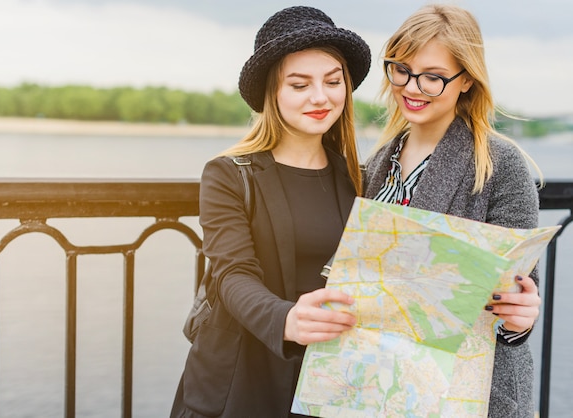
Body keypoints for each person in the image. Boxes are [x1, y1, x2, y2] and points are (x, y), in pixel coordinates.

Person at [170, 6, 371, 417]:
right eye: (299, 85)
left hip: (329, 383)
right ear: (272, 94)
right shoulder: (228, 174)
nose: (321, 97)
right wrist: (286, 320)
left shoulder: (358, 178)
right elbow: (232, 272)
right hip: (241, 380)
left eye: (333, 81)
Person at [362, 4, 541, 417]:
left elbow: (514, 304)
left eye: (433, 77)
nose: (412, 86)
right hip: (384, 386)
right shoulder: (376, 165)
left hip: (468, 394)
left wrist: (519, 319)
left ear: (466, 81)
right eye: (401, 69)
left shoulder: (500, 166)